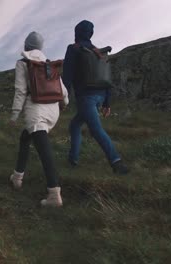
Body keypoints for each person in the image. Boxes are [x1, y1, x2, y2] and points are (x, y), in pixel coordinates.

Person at [9, 31, 70, 207]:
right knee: (25, 138)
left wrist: (14, 115)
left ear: (26, 46)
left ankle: (54, 194)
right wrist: (64, 103)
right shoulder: (48, 64)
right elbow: (62, 89)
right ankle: (17, 177)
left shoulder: (23, 63)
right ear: (41, 48)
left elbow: (20, 91)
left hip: (35, 110)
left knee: (44, 150)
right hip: (53, 110)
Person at [62, 20, 129, 174]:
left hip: (86, 97)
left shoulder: (73, 49)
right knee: (74, 125)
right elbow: (106, 78)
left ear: (76, 33)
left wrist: (63, 98)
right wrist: (107, 102)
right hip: (101, 95)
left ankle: (116, 162)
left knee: (96, 130)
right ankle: (72, 160)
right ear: (90, 34)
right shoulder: (98, 52)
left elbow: (67, 76)